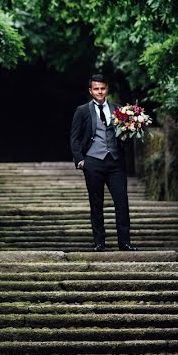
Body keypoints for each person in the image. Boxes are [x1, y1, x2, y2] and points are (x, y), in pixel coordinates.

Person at [70, 74, 135, 252]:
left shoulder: (118, 109)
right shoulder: (82, 111)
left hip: (115, 162)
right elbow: (74, 138)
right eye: (96, 89)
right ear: (91, 91)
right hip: (93, 161)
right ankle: (99, 242)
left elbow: (125, 137)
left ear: (107, 89)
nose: (100, 92)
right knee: (96, 203)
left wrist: (133, 129)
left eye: (103, 88)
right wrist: (80, 160)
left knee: (122, 201)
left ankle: (125, 242)